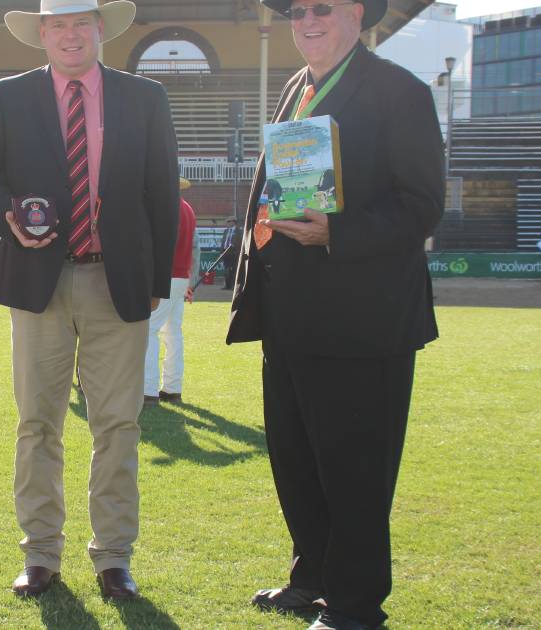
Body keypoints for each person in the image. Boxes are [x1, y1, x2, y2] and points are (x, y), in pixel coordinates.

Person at [227, 1, 445, 628]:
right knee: (297, 461)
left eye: (321, 7)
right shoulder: (298, 86)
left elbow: (423, 206)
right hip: (291, 311)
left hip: (362, 319)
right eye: (297, 10)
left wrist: (336, 232)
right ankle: (312, 576)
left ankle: (354, 605)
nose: (306, 19)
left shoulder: (398, 91)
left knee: (354, 467)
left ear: (356, 13)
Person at [0, 0, 178, 601]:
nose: (68, 34)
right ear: (41, 33)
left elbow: (162, 191)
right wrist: (12, 219)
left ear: (99, 30)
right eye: (56, 24)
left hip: (119, 282)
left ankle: (113, 556)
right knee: (37, 424)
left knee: (119, 425)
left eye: (80, 22)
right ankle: (40, 556)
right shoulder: (10, 94)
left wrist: (157, 283)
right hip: (40, 283)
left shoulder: (145, 97)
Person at [143, 178, 201, 406]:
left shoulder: (167, 209)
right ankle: (172, 388)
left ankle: (148, 389)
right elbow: (195, 248)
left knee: (149, 331)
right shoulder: (187, 209)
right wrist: (190, 280)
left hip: (165, 276)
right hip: (181, 276)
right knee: (173, 333)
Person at [220, 217, 239, 289]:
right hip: (225, 252)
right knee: (226, 269)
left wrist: (237, 251)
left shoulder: (238, 231)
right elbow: (223, 242)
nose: (227, 223)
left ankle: (233, 286)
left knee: (234, 269)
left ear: (233, 222)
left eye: (228, 221)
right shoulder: (226, 231)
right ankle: (227, 285)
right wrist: (221, 252)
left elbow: (239, 242)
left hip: (233, 253)